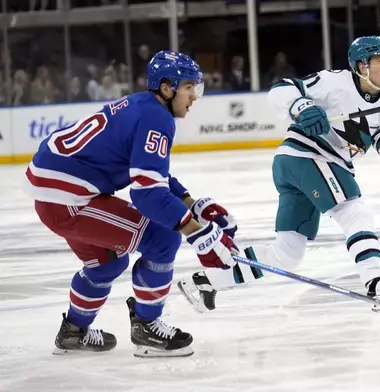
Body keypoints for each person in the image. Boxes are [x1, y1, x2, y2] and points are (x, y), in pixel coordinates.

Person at [179, 36, 380, 313]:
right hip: (305, 156)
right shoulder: (334, 82)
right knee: (353, 211)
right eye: (379, 60)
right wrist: (301, 106)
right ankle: (376, 285)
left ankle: (205, 281)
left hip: (304, 165)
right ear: (360, 65)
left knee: (287, 253)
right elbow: (280, 89)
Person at [22, 50, 237, 357]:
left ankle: (73, 331)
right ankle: (148, 328)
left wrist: (191, 202)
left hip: (55, 193)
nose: (195, 96)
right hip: (69, 199)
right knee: (162, 237)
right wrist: (195, 230)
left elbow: (149, 173)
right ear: (167, 87)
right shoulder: (157, 118)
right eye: (189, 87)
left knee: (108, 262)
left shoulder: (142, 106)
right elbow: (147, 194)